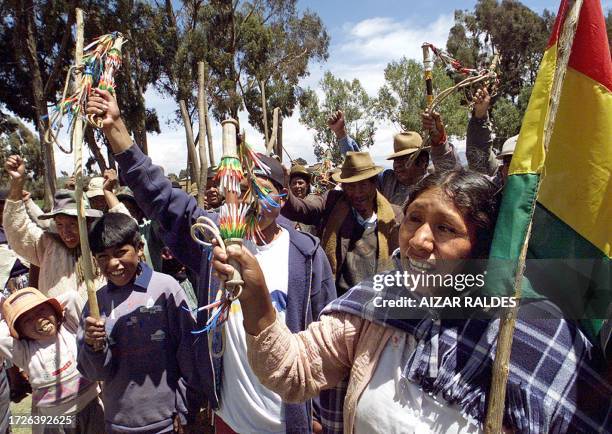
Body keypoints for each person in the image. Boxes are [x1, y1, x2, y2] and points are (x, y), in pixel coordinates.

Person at [211, 169, 611, 433]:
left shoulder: (532, 333)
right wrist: (259, 302)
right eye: (414, 218)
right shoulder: (378, 300)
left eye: (445, 228)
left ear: (483, 247)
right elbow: (292, 371)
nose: (419, 240)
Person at [86, 88, 337, 434]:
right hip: (229, 418)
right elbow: (159, 195)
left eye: (262, 191)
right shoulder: (211, 239)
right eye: (244, 188)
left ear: (282, 199)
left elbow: (328, 342)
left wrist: (321, 412)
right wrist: (116, 129)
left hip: (290, 419)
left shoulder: (307, 257)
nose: (249, 200)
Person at [77, 213, 197, 433]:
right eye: (102, 257)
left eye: (121, 252)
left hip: (167, 421)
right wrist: (93, 346)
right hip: (118, 422)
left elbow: (188, 352)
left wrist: (184, 407)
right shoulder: (96, 303)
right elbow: (95, 373)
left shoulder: (165, 289)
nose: (113, 263)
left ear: (139, 248)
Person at [282, 151, 402, 296]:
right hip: (339, 299)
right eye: (351, 186)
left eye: (363, 185)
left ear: (374, 183)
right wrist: (285, 192)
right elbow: (304, 209)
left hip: (379, 301)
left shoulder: (393, 217)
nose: (357, 193)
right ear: (343, 187)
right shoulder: (332, 202)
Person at [3, 155, 107, 301]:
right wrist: (17, 182)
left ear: (87, 222)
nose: (66, 232)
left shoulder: (102, 244)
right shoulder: (46, 245)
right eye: (60, 224)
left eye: (72, 224)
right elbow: (18, 229)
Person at [0, 288, 104, 433]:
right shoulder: (25, 352)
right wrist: (9, 317)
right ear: (20, 331)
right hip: (55, 421)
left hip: (91, 408)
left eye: (42, 310)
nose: (38, 319)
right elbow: (1, 336)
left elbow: (72, 297)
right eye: (27, 320)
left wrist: (55, 307)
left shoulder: (71, 329)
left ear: (55, 311)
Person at [328, 110, 460, 206]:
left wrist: (438, 140)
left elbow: (450, 170)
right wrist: (341, 133)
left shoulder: (434, 183)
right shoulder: (386, 180)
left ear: (423, 163)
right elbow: (358, 165)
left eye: (405, 159)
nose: (398, 165)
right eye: (396, 159)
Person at [466, 87, 516, 186]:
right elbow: (478, 153)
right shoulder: (493, 192)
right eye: (509, 163)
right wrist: (480, 116)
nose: (516, 172)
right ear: (502, 169)